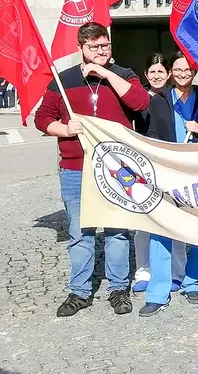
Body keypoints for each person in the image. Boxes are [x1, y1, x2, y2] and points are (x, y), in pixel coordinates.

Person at [34, 22, 151, 317]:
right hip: (75, 168)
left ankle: (118, 288)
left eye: (105, 46)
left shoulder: (123, 75)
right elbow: (42, 117)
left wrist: (106, 73)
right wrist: (64, 127)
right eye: (94, 47)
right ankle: (80, 291)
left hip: (117, 169)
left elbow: (140, 102)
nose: (101, 51)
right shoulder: (63, 81)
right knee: (80, 231)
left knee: (117, 231)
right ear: (81, 49)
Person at [139, 51, 198, 316]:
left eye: (188, 70)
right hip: (166, 174)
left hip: (197, 174)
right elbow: (150, 134)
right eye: (178, 70)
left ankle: (192, 282)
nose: (183, 74)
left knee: (197, 229)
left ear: (195, 72)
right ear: (171, 73)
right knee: (161, 229)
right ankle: (158, 292)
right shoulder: (160, 99)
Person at [132, 53, 188, 294]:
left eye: (160, 72)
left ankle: (177, 272)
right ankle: (143, 271)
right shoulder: (137, 98)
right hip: (141, 167)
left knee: (175, 222)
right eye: (152, 72)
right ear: (146, 75)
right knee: (143, 223)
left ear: (168, 75)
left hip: (169, 167)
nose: (156, 76)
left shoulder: (173, 98)